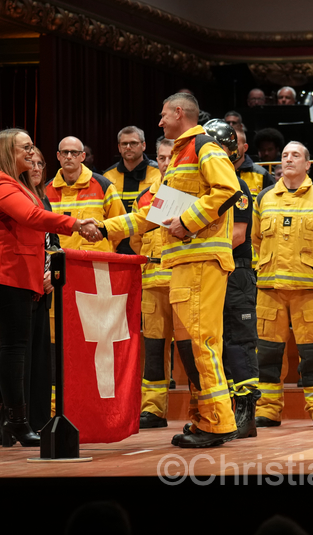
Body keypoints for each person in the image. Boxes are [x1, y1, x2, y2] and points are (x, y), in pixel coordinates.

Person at [100, 92, 242, 448]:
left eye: (164, 115)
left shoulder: (204, 147)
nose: (160, 121)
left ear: (180, 113)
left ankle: (217, 423)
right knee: (189, 349)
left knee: (201, 343)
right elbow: (154, 214)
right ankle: (201, 419)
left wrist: (187, 221)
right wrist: (104, 229)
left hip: (201, 262)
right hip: (183, 264)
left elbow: (229, 190)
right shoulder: (179, 157)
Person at [0, 129, 96, 448]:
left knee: (8, 346)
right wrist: (75, 223)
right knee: (15, 348)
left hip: (14, 271)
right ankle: (17, 423)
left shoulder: (16, 183)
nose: (30, 152)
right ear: (5, 152)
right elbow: (30, 217)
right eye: (24, 147)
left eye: (31, 146)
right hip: (2, 271)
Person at [253, 142, 313, 428]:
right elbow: (255, 239)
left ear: (308, 165)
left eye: (296, 155)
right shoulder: (264, 198)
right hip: (270, 289)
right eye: (284, 155)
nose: (288, 159)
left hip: (312, 290)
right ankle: (268, 409)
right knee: (267, 353)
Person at [202, 119, 261, 438]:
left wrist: (190, 233)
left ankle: (246, 411)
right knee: (209, 344)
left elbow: (237, 235)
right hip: (200, 272)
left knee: (239, 341)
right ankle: (212, 413)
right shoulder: (194, 186)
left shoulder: (236, 187)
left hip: (233, 272)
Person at [132, 138, 174, 430]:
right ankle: (153, 409)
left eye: (171, 156)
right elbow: (136, 240)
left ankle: (201, 407)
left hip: (187, 282)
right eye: (161, 158)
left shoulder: (197, 193)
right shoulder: (145, 196)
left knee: (191, 349)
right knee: (155, 349)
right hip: (152, 283)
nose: (166, 162)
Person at [23, 147, 58, 433]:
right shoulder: (17, 197)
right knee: (17, 356)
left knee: (40, 359)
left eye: (39, 163)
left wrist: (50, 272)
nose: (36, 168)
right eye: (30, 163)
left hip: (43, 287)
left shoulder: (44, 199)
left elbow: (53, 243)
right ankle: (5, 416)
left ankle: (39, 419)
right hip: (21, 286)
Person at [51, 136, 125, 253]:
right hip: (60, 260)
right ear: (58, 156)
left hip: (96, 261)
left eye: (74, 153)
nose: (69, 157)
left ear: (83, 156)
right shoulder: (47, 190)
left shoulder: (103, 186)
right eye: (65, 152)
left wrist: (107, 249)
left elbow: (120, 225)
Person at [103, 127, 162, 255]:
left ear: (143, 145)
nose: (128, 147)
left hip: (149, 245)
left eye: (133, 143)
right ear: (119, 147)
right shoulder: (107, 177)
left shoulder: (159, 173)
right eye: (124, 144)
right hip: (118, 247)